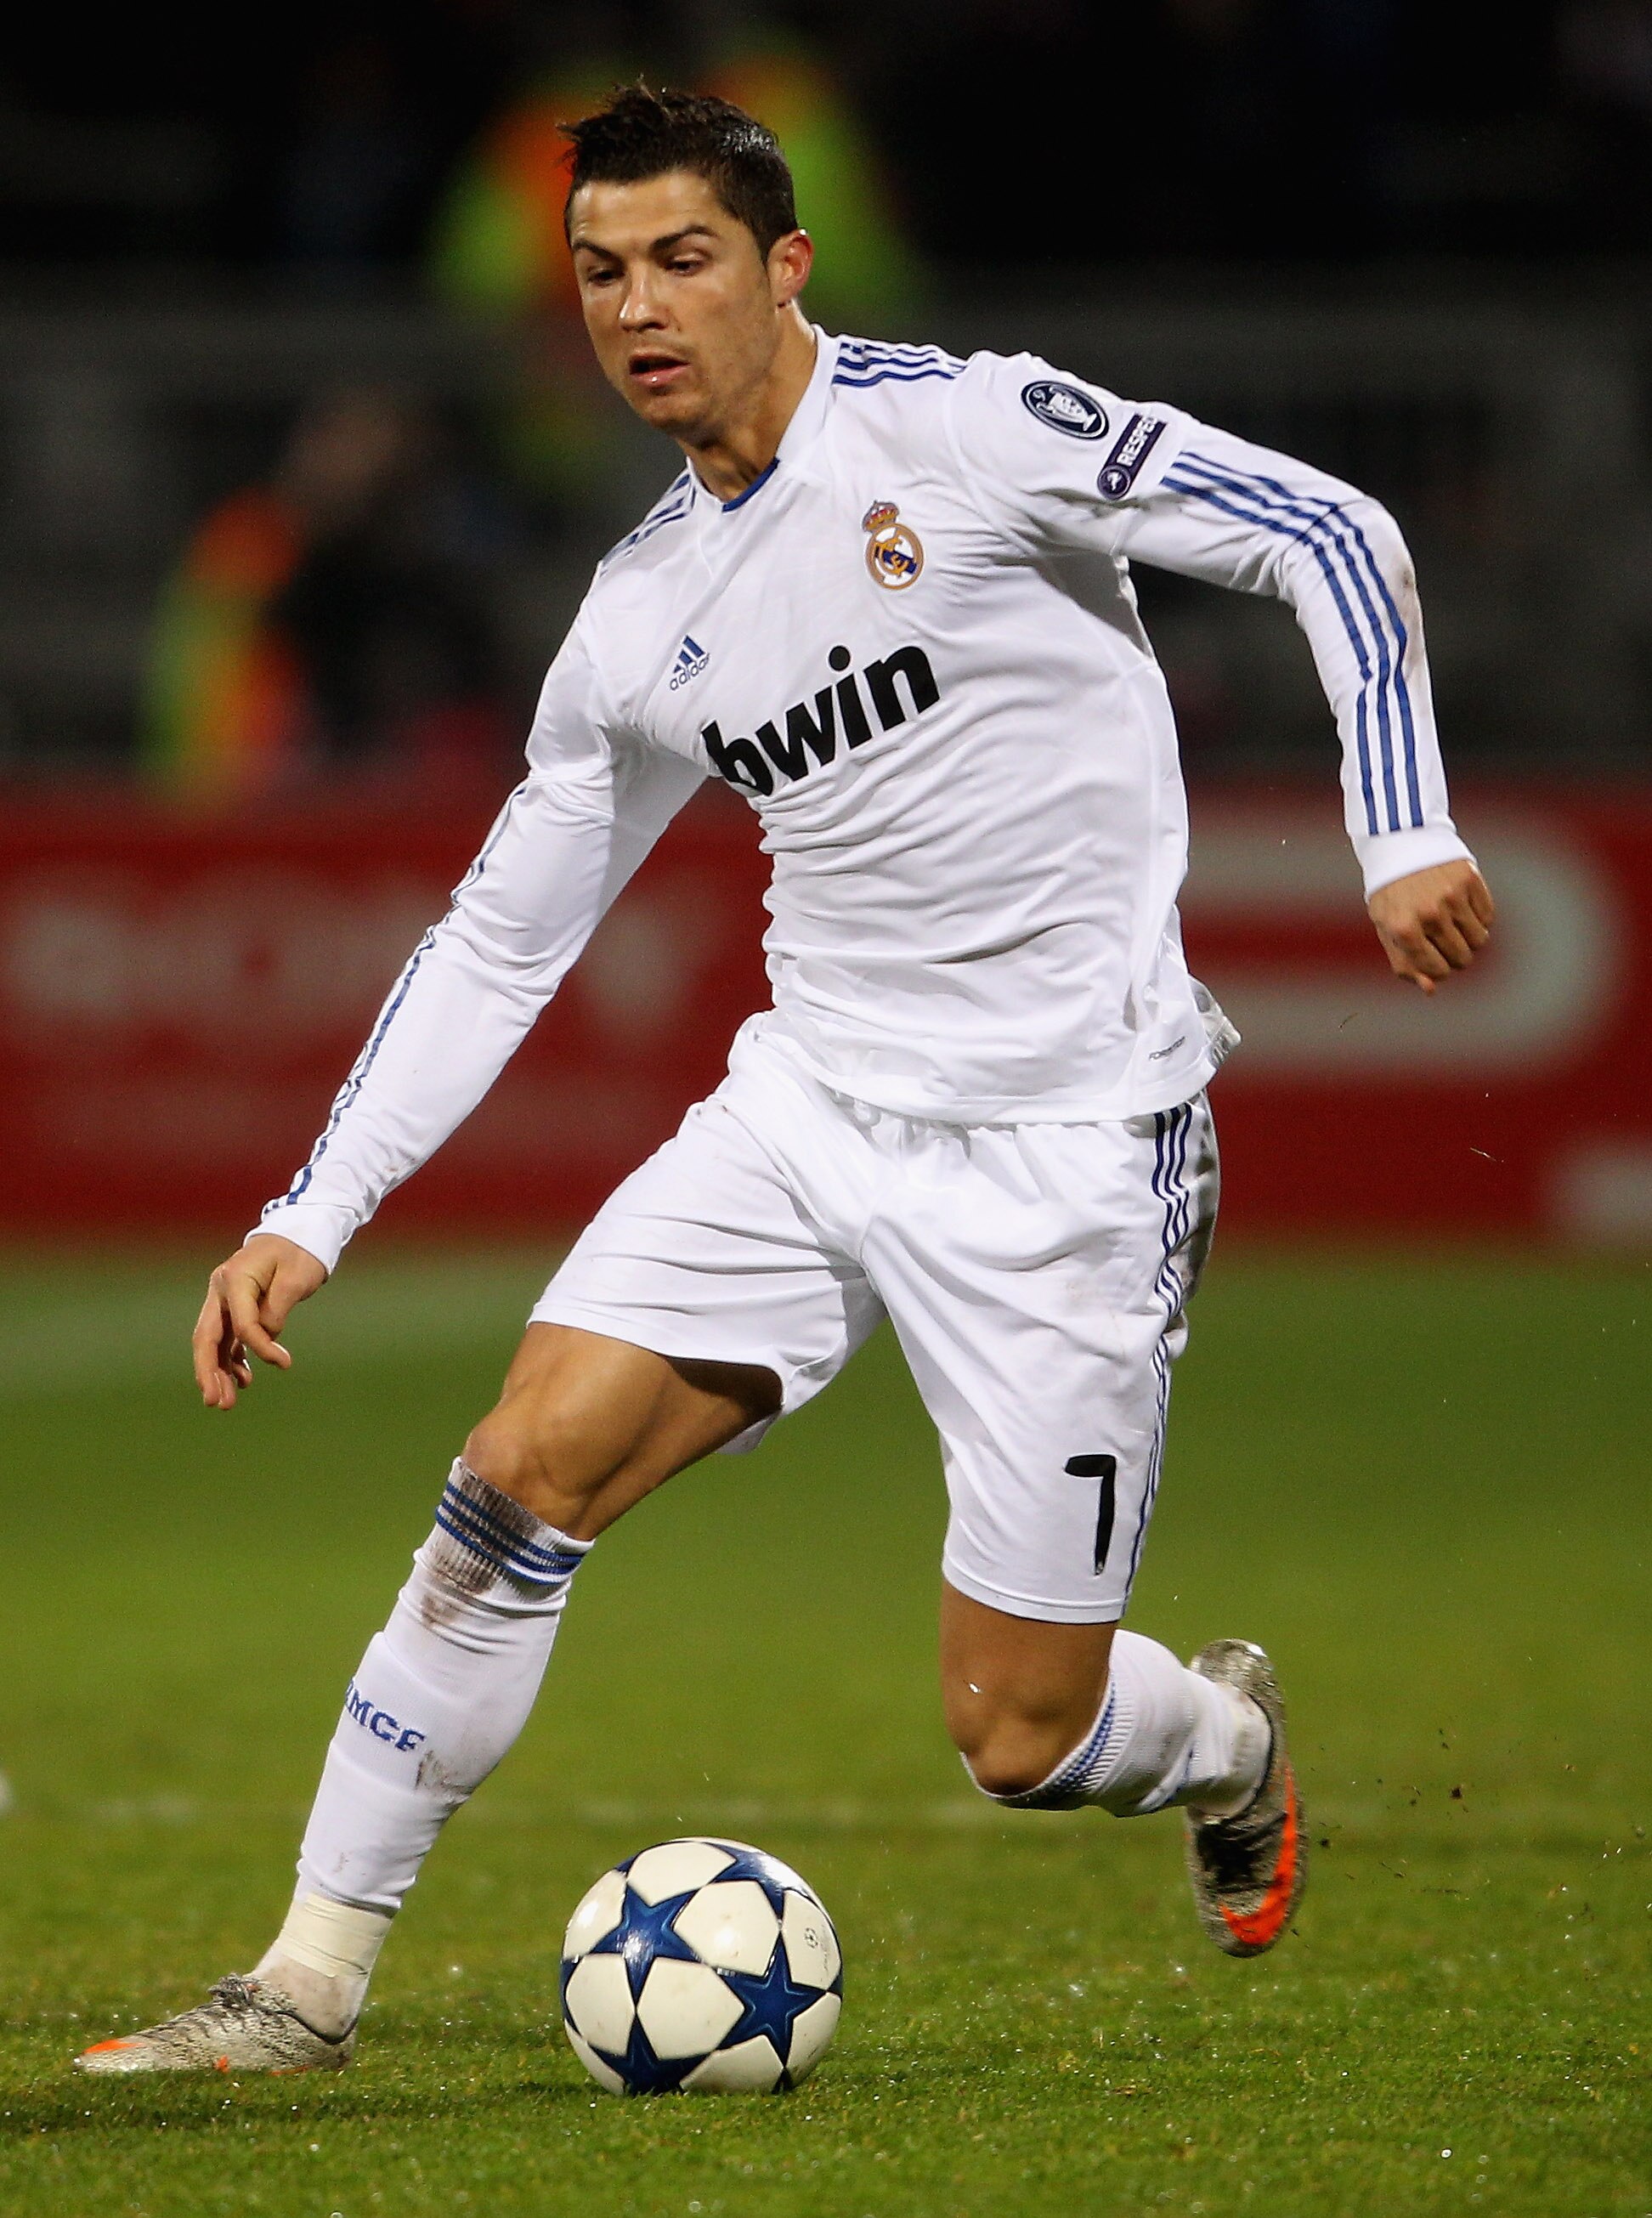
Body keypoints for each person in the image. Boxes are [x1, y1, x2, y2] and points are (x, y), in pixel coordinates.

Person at [78, 87, 1493, 2075]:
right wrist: (310, 1212)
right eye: (598, 273)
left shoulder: (972, 431)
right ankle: (302, 1985)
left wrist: (1402, 826)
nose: (638, 310)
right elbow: (503, 934)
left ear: (785, 267)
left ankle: (1225, 1740)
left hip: (1071, 1150)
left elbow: (1334, 530)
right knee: (512, 1480)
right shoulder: (641, 618)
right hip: (808, 1112)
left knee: (1022, 1734)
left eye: (683, 260)